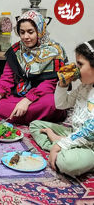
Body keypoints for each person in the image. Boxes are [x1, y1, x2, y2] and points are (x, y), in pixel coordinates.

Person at [0, 10, 67, 125]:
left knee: (53, 104)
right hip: (18, 96)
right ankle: (26, 118)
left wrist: (27, 100)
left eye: (30, 32)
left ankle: (12, 117)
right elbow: (7, 79)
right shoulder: (16, 51)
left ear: (40, 31)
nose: (26, 37)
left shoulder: (54, 52)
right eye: (22, 32)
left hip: (40, 97)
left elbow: (49, 85)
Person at [30, 40, 94, 177]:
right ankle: (65, 144)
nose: (76, 69)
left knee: (66, 163)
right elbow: (61, 104)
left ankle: (65, 148)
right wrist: (62, 85)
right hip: (76, 132)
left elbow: (90, 131)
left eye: (80, 65)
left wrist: (59, 145)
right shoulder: (85, 87)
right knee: (35, 125)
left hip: (91, 144)